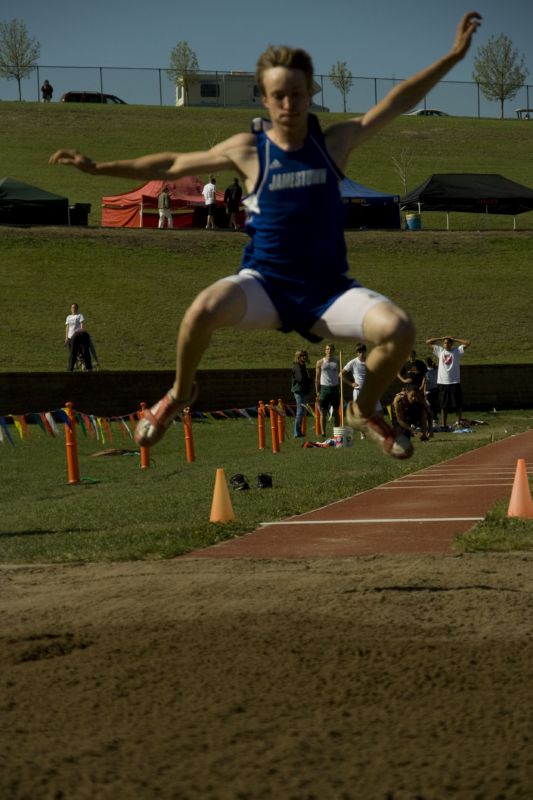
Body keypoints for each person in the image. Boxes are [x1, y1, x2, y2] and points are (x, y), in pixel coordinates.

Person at [49, 11, 481, 460]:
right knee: (200, 311)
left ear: (310, 92)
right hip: (264, 286)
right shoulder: (249, 150)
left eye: (297, 94)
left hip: (327, 294)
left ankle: (363, 407)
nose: (289, 104)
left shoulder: (334, 144)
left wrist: (453, 56)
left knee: (400, 331)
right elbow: (172, 163)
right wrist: (100, 168)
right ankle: (178, 394)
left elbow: (397, 100)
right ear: (265, 99)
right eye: (279, 96)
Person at [426, 335, 471, 428]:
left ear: (451, 344)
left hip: (454, 381)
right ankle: (444, 424)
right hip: (443, 382)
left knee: (458, 404)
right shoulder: (440, 351)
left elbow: (468, 342)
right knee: (443, 405)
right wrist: (441, 338)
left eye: (448, 342)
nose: (446, 344)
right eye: (445, 343)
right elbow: (428, 342)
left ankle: (459, 422)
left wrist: (454, 339)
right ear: (443, 344)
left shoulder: (456, 351)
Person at [315, 343, 340, 436]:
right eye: (327, 349)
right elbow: (317, 378)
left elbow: (340, 375)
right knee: (323, 412)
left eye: (331, 349)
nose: (329, 351)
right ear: (325, 351)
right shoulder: (320, 362)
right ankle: (323, 432)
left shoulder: (337, 361)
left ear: (333, 351)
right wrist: (317, 391)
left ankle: (337, 432)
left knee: (336, 412)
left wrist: (340, 388)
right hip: (324, 389)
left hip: (334, 388)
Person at [291, 349, 312, 437]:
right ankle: (296, 433)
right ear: (298, 357)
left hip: (303, 390)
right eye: (302, 356)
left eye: (305, 355)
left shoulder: (303, 366)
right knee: (300, 411)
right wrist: (309, 379)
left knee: (302, 411)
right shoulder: (297, 366)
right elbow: (300, 378)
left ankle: (298, 432)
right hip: (298, 391)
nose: (304, 357)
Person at [423, 355, 440, 423]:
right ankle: (435, 417)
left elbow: (426, 382)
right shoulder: (436, 369)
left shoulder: (426, 372)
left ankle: (431, 417)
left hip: (429, 390)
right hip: (436, 389)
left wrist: (424, 391)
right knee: (434, 404)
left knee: (429, 404)